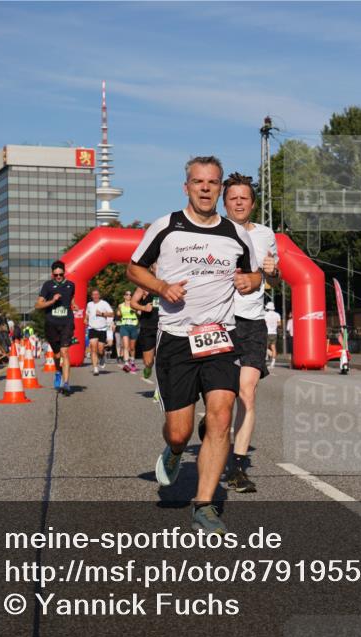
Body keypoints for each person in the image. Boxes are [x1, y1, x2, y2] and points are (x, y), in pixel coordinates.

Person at [126, 155, 260, 534]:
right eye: (198, 182)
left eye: (212, 182)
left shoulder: (236, 234)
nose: (205, 188)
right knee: (180, 432)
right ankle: (173, 450)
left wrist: (252, 282)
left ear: (219, 188)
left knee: (221, 416)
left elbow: (252, 275)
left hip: (220, 336)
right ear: (186, 187)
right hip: (176, 339)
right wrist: (161, 287)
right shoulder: (166, 227)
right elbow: (133, 268)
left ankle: (204, 505)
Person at [222, 172, 279, 493]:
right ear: (225, 202)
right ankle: (214, 427)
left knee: (247, 393)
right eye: (233, 198)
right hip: (218, 322)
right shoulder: (212, 231)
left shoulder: (266, 235)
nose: (239, 202)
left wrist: (274, 272)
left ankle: (238, 467)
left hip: (253, 322)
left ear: (253, 203)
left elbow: (274, 278)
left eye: (245, 198)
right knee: (222, 397)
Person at [35, 260, 78, 395]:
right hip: (51, 324)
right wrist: (52, 301)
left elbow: (71, 299)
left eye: (60, 274)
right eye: (56, 275)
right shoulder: (47, 286)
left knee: (65, 352)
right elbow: (38, 305)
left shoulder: (71, 285)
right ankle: (58, 372)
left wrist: (74, 305)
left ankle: (66, 383)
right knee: (57, 354)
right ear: (52, 274)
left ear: (64, 272)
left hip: (67, 323)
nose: (58, 277)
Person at [129, 286, 160, 399]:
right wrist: (143, 307)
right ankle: (148, 368)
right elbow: (132, 303)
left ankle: (159, 390)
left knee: (162, 361)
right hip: (148, 328)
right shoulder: (144, 287)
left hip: (164, 327)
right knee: (148, 361)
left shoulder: (169, 282)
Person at [85, 288, 114, 376]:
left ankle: (101, 357)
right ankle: (95, 368)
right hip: (92, 328)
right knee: (93, 348)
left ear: (99, 295)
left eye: (97, 294)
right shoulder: (89, 304)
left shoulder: (104, 303)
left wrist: (102, 314)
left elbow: (112, 314)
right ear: (92, 296)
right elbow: (87, 313)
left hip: (102, 329)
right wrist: (85, 319)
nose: (95, 296)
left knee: (100, 350)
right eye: (94, 294)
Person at [117, 290, 140, 372]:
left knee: (132, 347)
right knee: (126, 346)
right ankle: (126, 363)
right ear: (124, 296)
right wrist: (119, 313)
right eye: (127, 294)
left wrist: (136, 311)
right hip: (124, 326)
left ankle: (132, 362)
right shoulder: (120, 305)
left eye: (130, 295)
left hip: (134, 326)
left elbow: (140, 313)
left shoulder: (135, 304)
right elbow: (118, 314)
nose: (129, 296)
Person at [264, 301, 281, 369]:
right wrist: (274, 326)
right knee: (273, 347)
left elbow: (264, 323)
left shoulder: (265, 314)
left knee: (265, 347)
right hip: (274, 333)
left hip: (267, 332)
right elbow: (279, 324)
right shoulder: (277, 314)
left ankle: (266, 359)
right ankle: (273, 363)